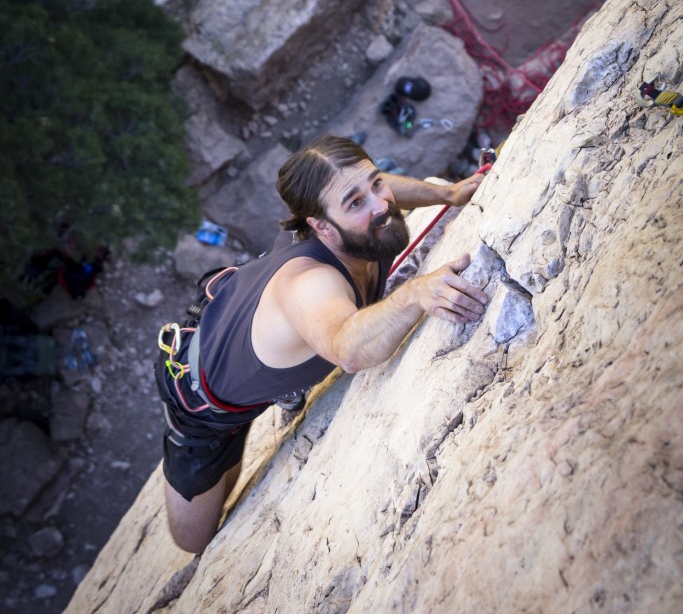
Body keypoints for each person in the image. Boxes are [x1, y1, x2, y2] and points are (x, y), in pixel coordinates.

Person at [156, 135, 488, 554]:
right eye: (354, 203)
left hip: (247, 312)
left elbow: (379, 186)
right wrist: (414, 294)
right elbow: (347, 348)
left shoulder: (361, 220)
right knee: (193, 541)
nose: (381, 205)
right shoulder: (312, 284)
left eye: (375, 184)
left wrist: (449, 192)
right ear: (320, 227)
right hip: (202, 399)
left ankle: (275, 373)